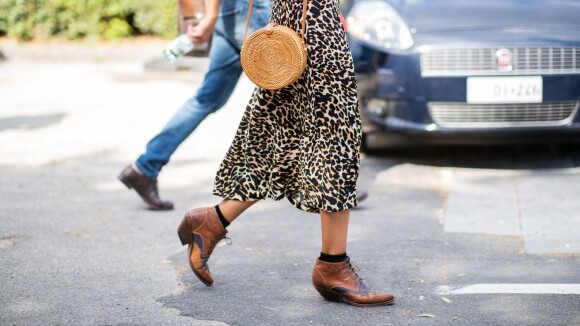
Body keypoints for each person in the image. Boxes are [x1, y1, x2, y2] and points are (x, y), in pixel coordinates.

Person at [177, 0, 394, 307]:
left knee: (283, 145)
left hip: (297, 29)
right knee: (335, 145)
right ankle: (333, 266)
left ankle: (212, 221)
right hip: (315, 34)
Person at [118, 0, 271, 210]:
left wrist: (212, 15)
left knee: (206, 99)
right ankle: (313, 180)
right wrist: (209, 16)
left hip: (231, 12)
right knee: (289, 95)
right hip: (257, 12)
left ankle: (145, 167)